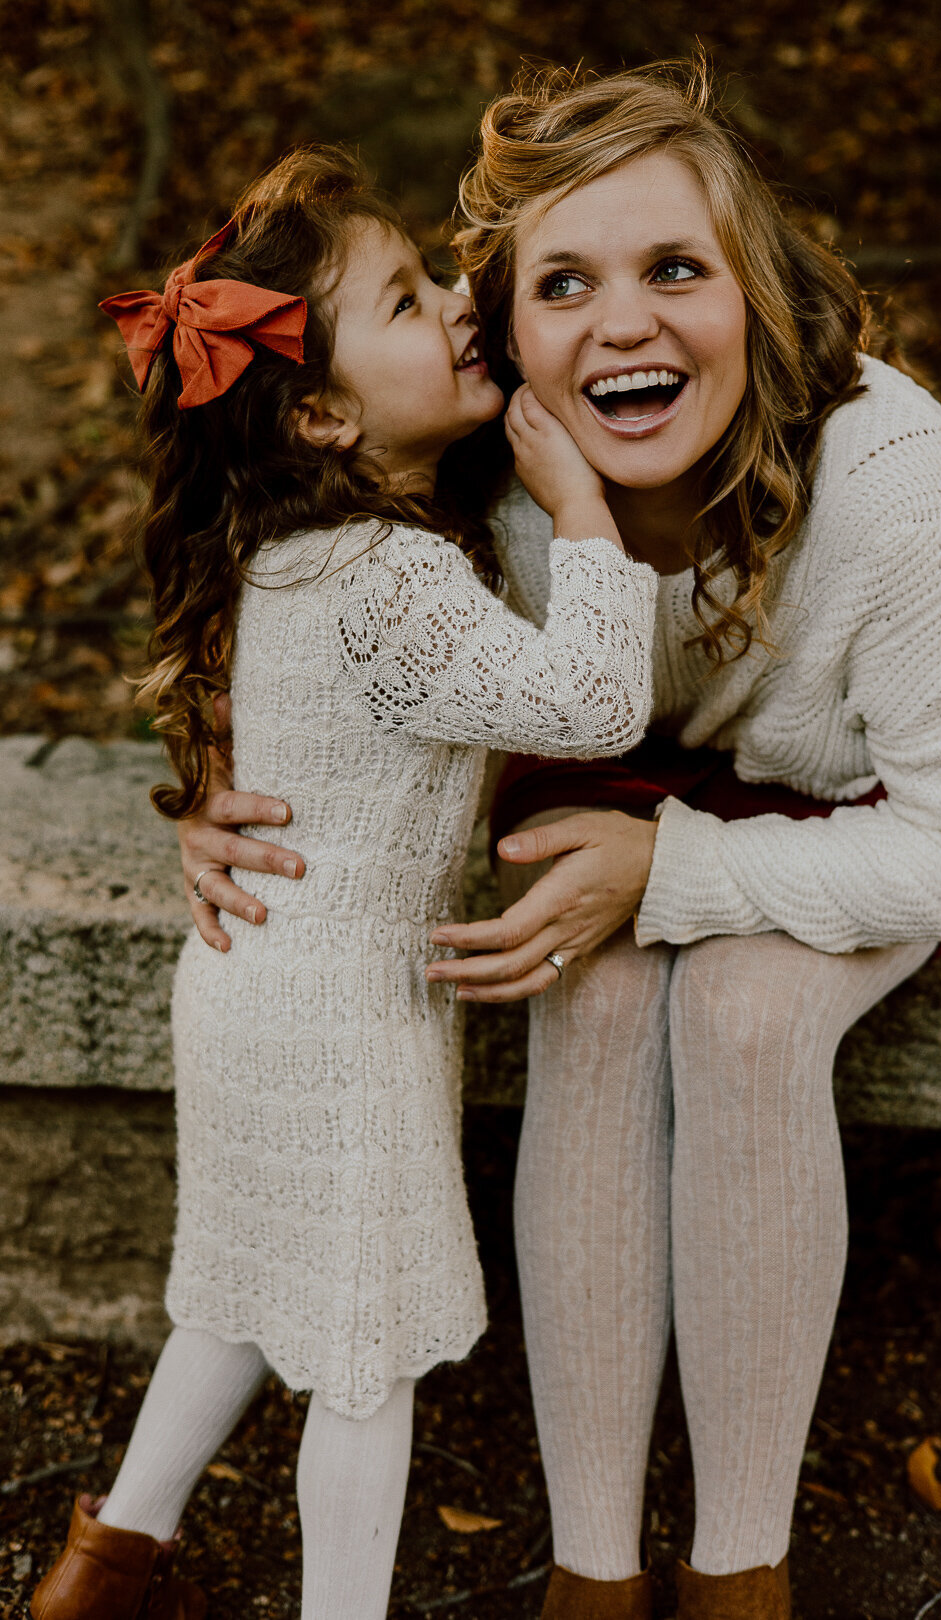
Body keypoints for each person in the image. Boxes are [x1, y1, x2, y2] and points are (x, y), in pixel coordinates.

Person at [174, 64, 941, 1620]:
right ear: (497, 329)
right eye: (563, 284)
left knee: (738, 1010)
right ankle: (591, 1575)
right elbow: (278, 578)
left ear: (759, 295)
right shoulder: (470, 452)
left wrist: (682, 877)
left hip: (851, 826)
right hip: (596, 804)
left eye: (676, 271)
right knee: (586, 998)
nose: (622, 325)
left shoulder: (892, 481)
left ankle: (740, 1573)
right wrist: (215, 789)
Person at [31, 147, 657, 1620]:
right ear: (318, 411)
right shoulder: (392, 577)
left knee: (251, 1289)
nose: (455, 302)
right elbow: (595, 705)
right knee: (362, 1351)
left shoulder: (292, 553)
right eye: (405, 298)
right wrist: (581, 507)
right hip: (341, 1020)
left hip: (255, 988)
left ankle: (105, 1562)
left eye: (437, 276)